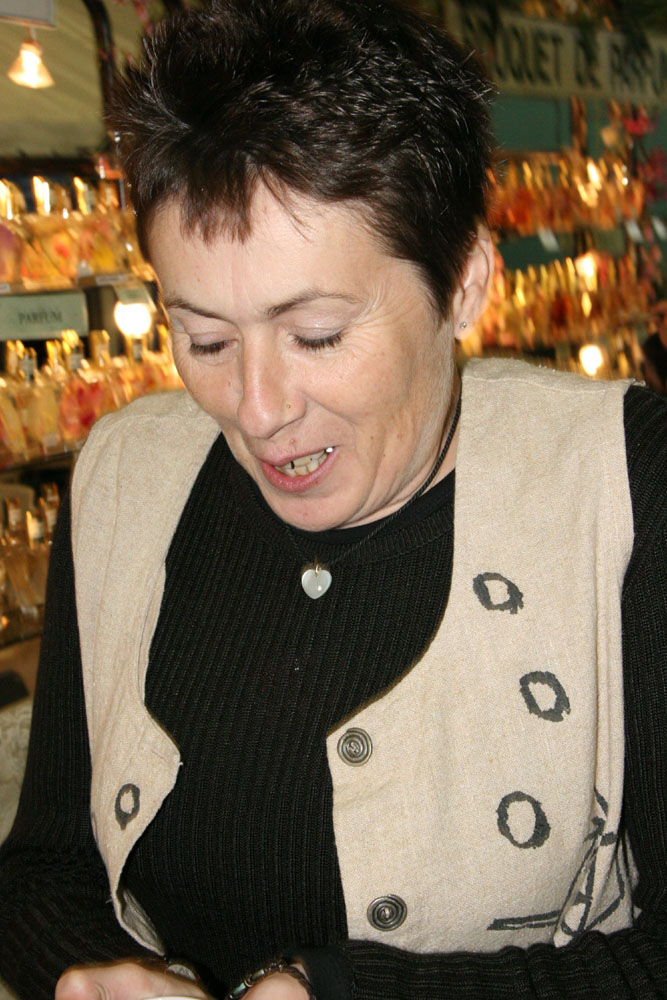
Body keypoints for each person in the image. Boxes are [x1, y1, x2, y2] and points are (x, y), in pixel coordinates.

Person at [0, 1, 666, 998]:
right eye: (205, 339)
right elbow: (45, 865)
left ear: (464, 283)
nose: (256, 408)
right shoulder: (124, 477)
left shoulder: (622, 482)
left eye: (315, 335)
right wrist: (91, 974)